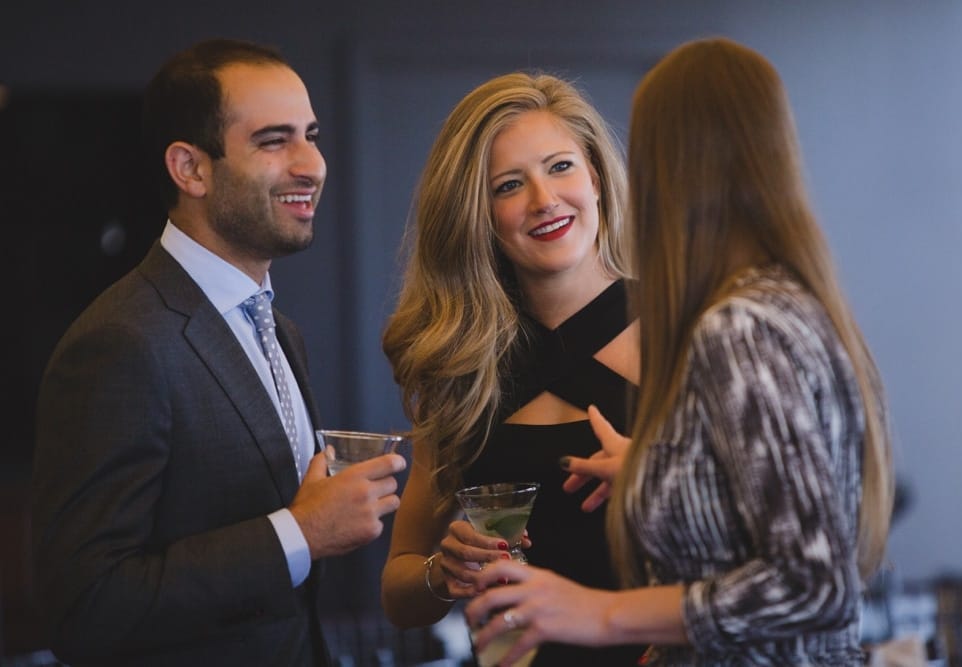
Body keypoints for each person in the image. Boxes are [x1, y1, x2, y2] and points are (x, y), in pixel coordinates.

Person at [465, 37, 895, 666]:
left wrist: (600, 613)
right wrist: (659, 473)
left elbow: (812, 583)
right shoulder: (784, 300)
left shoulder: (736, 326)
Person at [30, 38, 405, 666]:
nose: (311, 163)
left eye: (310, 135)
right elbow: (84, 609)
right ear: (191, 169)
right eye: (273, 140)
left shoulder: (280, 329)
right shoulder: (119, 342)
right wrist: (301, 533)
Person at [380, 72, 646, 665]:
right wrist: (442, 571)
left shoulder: (682, 334)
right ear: (479, 215)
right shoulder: (464, 364)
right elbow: (399, 596)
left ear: (596, 179)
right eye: (508, 185)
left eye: (559, 167)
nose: (544, 200)